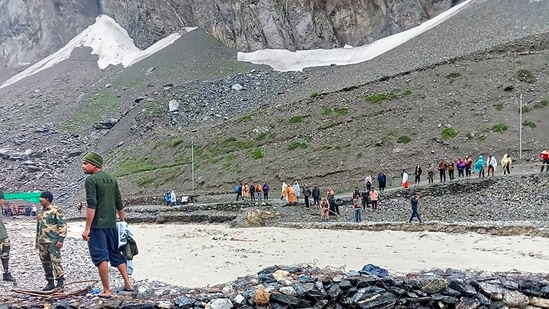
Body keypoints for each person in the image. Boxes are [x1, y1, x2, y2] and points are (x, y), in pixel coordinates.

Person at [81, 152, 133, 298]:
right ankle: (128, 284)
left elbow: (92, 205)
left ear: (95, 164)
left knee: (100, 256)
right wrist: (122, 222)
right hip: (112, 224)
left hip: (98, 225)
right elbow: (119, 201)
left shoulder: (91, 180)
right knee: (115, 253)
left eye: (86, 163)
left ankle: (106, 290)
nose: (83, 166)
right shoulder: (111, 178)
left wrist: (87, 228)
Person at [36, 191, 67, 291]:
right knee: (45, 262)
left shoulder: (56, 210)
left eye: (42, 198)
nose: (40, 199)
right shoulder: (40, 212)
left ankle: (60, 282)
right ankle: (50, 282)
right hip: (42, 242)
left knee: (56, 262)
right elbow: (38, 228)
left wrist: (61, 240)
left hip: (53, 241)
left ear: (48, 199)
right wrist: (37, 241)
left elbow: (62, 226)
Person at [0, 192, 16, 282]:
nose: (3, 201)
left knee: (5, 255)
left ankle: (6, 273)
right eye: (2, 199)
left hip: (3, 235)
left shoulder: (1, 207)